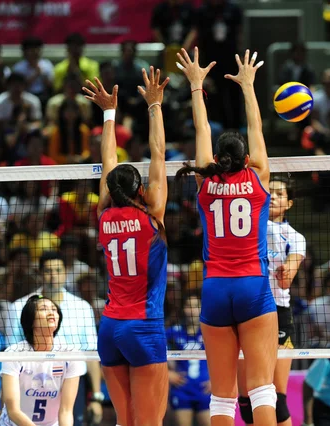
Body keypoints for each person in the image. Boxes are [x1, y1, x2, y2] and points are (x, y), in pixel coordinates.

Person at [175, 47, 278, 426]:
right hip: (253, 285)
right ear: (246, 159)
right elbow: (257, 128)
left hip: (216, 288)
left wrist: (196, 85)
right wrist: (248, 87)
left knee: (221, 396)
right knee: (261, 388)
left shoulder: (204, 182)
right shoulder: (258, 177)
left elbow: (202, 129)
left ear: (217, 160)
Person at [83, 66, 170, 426]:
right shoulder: (154, 218)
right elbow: (159, 155)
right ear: (140, 190)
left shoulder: (103, 216)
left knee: (125, 421)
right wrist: (155, 106)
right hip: (143, 328)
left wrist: (108, 113)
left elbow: (107, 164)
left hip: (110, 329)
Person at [238, 177, 306, 426]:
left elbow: (288, 279)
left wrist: (286, 270)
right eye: (270, 192)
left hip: (278, 311)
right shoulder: (248, 226)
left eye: (279, 194)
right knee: (246, 402)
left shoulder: (295, 237)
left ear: (289, 203)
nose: (273, 196)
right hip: (248, 309)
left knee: (277, 398)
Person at [0, 295, 86, 426]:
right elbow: (13, 411)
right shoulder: (14, 353)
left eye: (54, 309)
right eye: (44, 309)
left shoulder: (70, 354)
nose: (51, 312)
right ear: (31, 320)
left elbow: (66, 411)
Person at [167, 293, 211, 426]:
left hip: (205, 390)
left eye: (196, 306)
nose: (192, 310)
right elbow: (154, 353)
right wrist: (166, 373)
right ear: (183, 309)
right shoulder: (173, 332)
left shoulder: (210, 332)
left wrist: (218, 381)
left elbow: (226, 358)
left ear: (201, 308)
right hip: (182, 390)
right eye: (188, 306)